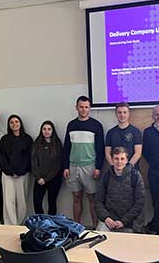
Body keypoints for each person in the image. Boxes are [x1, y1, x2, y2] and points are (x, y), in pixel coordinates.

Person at [63, 96, 105, 227]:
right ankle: (77, 226)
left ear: (90, 108)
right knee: (76, 197)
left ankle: (95, 227)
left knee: (92, 198)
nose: (83, 109)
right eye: (81, 107)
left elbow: (100, 148)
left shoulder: (96, 125)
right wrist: (66, 167)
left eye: (86, 107)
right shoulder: (71, 125)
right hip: (73, 166)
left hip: (90, 167)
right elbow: (67, 147)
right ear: (76, 107)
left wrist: (98, 167)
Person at [95, 147, 146, 233]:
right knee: (98, 239)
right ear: (112, 160)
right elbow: (98, 201)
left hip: (130, 223)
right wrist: (106, 218)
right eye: (116, 159)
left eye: (122, 159)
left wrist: (124, 221)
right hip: (109, 220)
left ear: (127, 161)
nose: (119, 162)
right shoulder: (106, 176)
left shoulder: (135, 176)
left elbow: (140, 202)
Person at [0, 114, 33, 225]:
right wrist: (10, 171)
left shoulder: (27, 139)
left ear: (20, 123)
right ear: (9, 125)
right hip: (7, 175)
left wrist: (19, 171)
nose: (14, 124)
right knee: (8, 201)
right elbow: (1, 157)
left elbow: (29, 157)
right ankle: (10, 225)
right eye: (12, 122)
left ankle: (20, 224)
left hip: (23, 175)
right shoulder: (4, 139)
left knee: (22, 201)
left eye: (16, 122)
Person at [31, 120, 63, 215]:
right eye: (44, 129)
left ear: (53, 131)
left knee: (52, 202)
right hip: (39, 179)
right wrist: (38, 177)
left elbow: (58, 164)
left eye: (49, 129)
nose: (46, 131)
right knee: (37, 202)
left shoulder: (57, 143)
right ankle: (41, 223)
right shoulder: (37, 143)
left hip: (54, 179)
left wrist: (47, 178)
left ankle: (50, 224)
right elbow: (33, 161)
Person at [105, 102, 142, 169]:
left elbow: (138, 153)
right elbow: (107, 153)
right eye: (119, 112)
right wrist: (114, 167)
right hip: (115, 172)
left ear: (128, 114)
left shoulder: (136, 131)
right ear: (116, 114)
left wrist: (128, 167)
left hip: (132, 170)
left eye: (125, 112)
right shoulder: (110, 132)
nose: (122, 115)